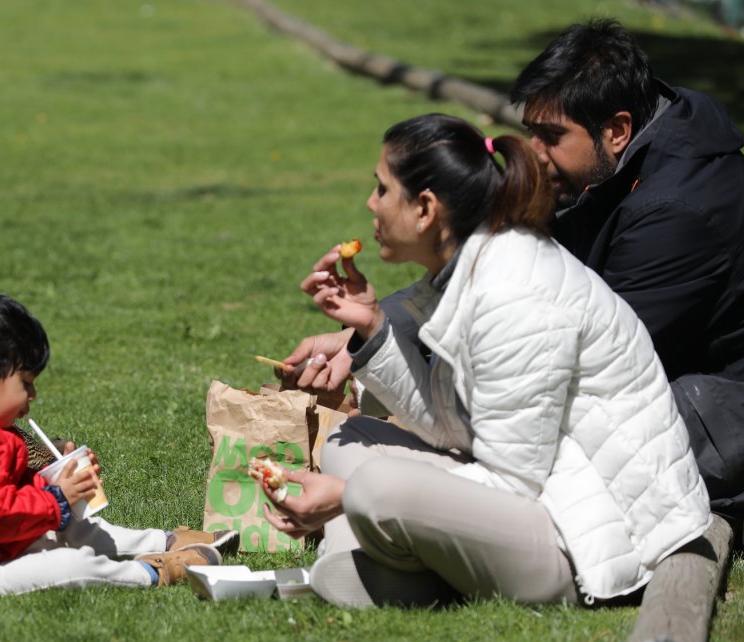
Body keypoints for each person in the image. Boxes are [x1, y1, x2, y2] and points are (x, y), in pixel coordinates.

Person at [286, 19, 744, 521]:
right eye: (531, 131)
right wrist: (370, 335)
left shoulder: (678, 209)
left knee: (511, 441)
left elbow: (579, 367)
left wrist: (387, 382)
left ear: (617, 130)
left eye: (552, 136)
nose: (535, 154)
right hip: (642, 390)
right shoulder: (603, 169)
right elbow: (486, 270)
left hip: (709, 412)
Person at [265, 114, 711, 608]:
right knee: (348, 441)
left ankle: (381, 562)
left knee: (372, 485)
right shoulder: (474, 267)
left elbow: (513, 482)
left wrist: (346, 498)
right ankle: (388, 564)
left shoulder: (514, 294)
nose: (371, 203)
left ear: (425, 209)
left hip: (586, 540)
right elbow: (450, 427)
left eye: (383, 189)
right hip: (543, 494)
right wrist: (371, 327)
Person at [0, 290, 235, 595]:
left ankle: (165, 541)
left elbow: (2, 494)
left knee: (75, 530)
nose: (32, 396)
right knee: (69, 564)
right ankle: (152, 572)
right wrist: (58, 499)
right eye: (26, 383)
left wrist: (57, 480)